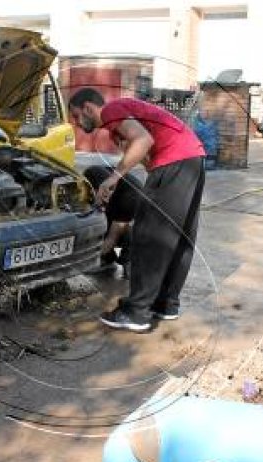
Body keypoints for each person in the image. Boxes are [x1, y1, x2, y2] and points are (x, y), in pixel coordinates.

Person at [69, 88, 206, 333]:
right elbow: (145, 154)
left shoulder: (112, 110)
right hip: (192, 158)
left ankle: (137, 312)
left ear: (89, 108)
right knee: (179, 236)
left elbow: (143, 141)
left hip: (174, 160)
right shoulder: (117, 129)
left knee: (149, 236)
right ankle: (165, 304)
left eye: (77, 116)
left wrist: (113, 178)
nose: (77, 124)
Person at [83, 165, 144, 278]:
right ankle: (107, 259)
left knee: (126, 231)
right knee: (99, 220)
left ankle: (128, 263)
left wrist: (88, 260)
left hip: (132, 215)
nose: (106, 198)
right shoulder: (91, 176)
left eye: (109, 192)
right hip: (116, 197)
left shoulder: (129, 198)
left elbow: (112, 237)